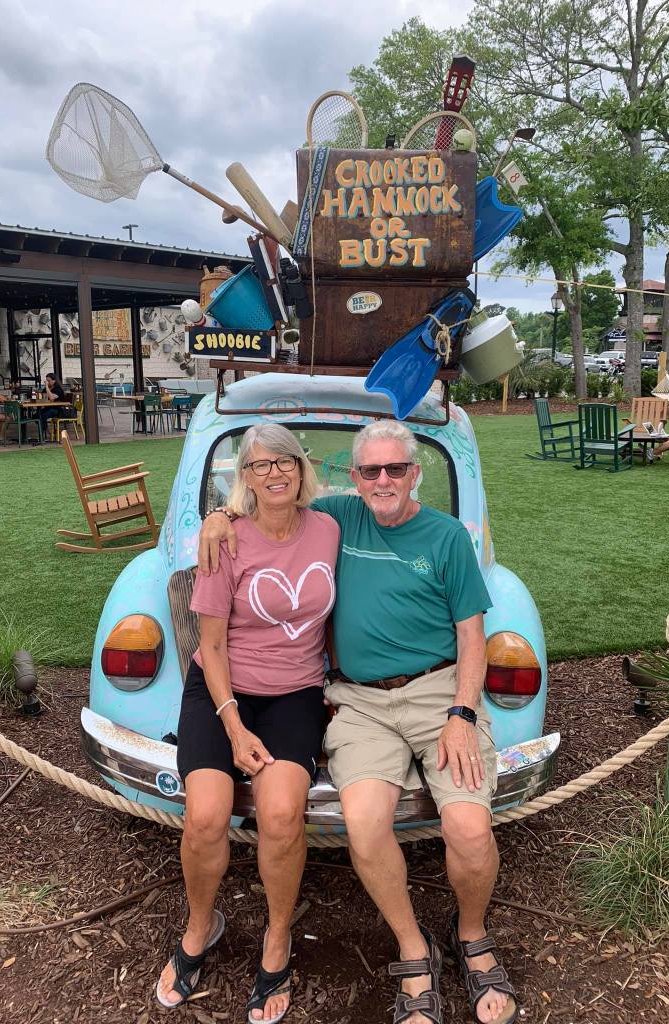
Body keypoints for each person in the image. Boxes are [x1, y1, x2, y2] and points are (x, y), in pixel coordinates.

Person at [199, 420, 518, 1024]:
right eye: (370, 470)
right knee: (365, 827)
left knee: (471, 830)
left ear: (415, 473)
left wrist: (461, 713)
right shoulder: (338, 517)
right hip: (361, 703)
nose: (383, 480)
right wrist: (220, 515)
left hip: (439, 693)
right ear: (354, 477)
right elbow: (270, 498)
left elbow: (472, 636)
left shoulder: (447, 536)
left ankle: (472, 934)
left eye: (396, 468)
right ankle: (414, 947)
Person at [157, 423, 340, 1024]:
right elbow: (209, 644)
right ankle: (200, 925)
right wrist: (234, 727)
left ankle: (277, 934)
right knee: (205, 816)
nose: (274, 473)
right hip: (220, 690)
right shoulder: (226, 540)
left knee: (282, 815)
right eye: (260, 465)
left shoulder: (329, 529)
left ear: (301, 468)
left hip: (295, 693)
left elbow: (383, 502)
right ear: (246, 478)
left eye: (284, 461)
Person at [39, 373, 69, 439]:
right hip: (48, 408)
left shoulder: (58, 389)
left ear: (54, 380)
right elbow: (42, 397)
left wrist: (47, 387)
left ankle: (42, 436)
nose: (47, 382)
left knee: (42, 416)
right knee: (36, 415)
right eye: (46, 380)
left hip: (58, 409)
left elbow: (52, 398)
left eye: (48, 380)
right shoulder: (47, 388)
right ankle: (47, 432)